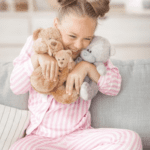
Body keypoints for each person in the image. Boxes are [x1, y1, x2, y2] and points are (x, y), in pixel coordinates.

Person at [9, 0, 142, 149]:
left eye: (87, 38)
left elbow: (114, 87)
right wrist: (37, 59)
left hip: (79, 136)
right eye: (72, 36)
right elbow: (16, 86)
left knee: (130, 139)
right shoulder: (38, 44)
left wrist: (86, 67)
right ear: (56, 24)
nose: (79, 45)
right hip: (41, 137)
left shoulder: (93, 52)